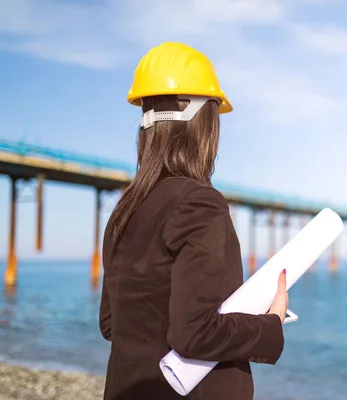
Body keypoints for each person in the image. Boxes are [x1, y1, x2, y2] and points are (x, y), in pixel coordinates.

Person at [99, 42, 289, 400]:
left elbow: (111, 325)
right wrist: (269, 324)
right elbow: (194, 334)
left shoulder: (125, 209)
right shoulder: (201, 203)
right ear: (202, 123)